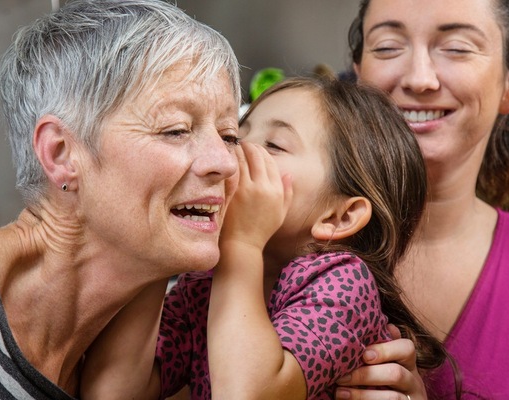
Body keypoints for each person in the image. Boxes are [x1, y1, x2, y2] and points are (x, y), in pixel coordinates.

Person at [0, 0, 242, 398]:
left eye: (230, 135)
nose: (225, 162)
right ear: (61, 154)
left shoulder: (111, 352)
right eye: (175, 130)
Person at [81, 76, 450, 399]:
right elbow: (111, 391)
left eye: (273, 146)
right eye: (234, 135)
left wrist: (241, 244)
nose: (232, 153)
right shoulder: (202, 286)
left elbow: (247, 395)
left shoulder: (342, 282)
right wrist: (161, 246)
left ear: (339, 216)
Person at [336, 0, 509, 398]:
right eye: (387, 46)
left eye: (456, 47)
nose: (419, 79)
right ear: (358, 74)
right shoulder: (293, 241)